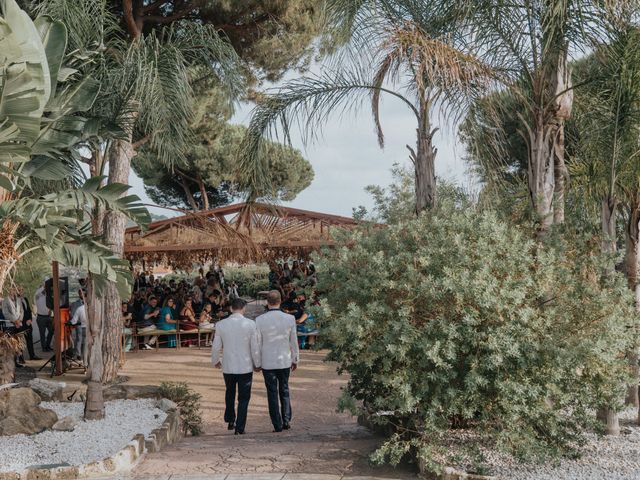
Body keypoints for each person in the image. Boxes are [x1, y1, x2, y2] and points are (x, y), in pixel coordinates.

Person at [211, 298, 261, 435]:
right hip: (245, 365)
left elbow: (216, 346)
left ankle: (231, 419)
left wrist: (215, 360)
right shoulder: (251, 324)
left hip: (228, 364)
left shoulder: (221, 325)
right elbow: (254, 347)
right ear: (244, 308)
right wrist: (257, 363)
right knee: (244, 397)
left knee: (230, 391)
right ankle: (240, 427)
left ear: (231, 308)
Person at [255, 290, 300, 432]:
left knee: (272, 393)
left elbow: (257, 343)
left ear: (267, 303)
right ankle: (286, 420)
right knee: (285, 390)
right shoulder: (289, 319)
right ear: (280, 301)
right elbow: (293, 341)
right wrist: (295, 358)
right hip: (284, 359)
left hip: (268, 361)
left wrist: (257, 362)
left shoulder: (259, 320)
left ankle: (277, 424)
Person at [3, 287, 26, 367]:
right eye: (12, 290)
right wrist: (14, 321)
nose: (14, 291)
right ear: (9, 291)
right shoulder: (6, 300)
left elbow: (22, 311)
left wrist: (20, 320)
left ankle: (17, 361)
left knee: (19, 344)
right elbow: (5, 313)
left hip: (19, 324)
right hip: (10, 325)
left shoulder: (19, 300)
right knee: (11, 344)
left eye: (15, 290)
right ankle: (10, 362)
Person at [17, 287, 39, 360]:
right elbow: (17, 314)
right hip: (21, 324)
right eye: (20, 290)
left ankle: (32, 356)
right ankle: (21, 358)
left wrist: (30, 319)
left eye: (22, 290)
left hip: (28, 324)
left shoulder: (25, 299)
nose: (21, 291)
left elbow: (29, 310)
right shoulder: (16, 301)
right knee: (20, 341)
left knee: (30, 340)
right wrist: (22, 322)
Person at [34, 281, 53, 352]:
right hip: (41, 317)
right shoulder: (37, 295)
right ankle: (44, 348)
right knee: (42, 333)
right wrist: (44, 287)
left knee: (51, 331)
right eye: (44, 288)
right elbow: (38, 294)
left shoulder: (48, 295)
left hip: (48, 317)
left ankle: (47, 345)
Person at [70, 289, 87, 364]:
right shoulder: (75, 304)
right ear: (79, 294)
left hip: (87, 325)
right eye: (81, 293)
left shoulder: (89, 303)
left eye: (83, 293)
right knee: (79, 340)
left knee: (86, 341)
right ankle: (78, 354)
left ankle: (85, 355)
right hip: (79, 324)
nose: (82, 295)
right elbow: (73, 315)